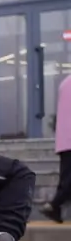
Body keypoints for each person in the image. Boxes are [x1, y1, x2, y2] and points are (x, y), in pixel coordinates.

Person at [40, 74, 71, 223]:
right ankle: (54, 204)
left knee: (67, 176)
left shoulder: (65, 83)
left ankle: (55, 208)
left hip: (64, 139)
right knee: (68, 178)